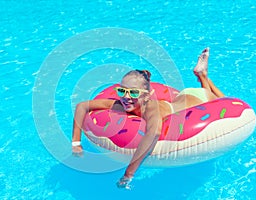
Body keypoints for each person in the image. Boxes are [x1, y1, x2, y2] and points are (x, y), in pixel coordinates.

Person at [71, 47, 225, 189]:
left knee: (223, 100)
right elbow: (82, 106)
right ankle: (201, 74)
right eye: (121, 91)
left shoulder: (151, 108)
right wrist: (76, 143)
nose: (126, 97)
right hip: (182, 97)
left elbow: (154, 133)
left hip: (199, 99)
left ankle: (203, 76)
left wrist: (128, 174)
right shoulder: (121, 104)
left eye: (133, 93)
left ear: (146, 96)